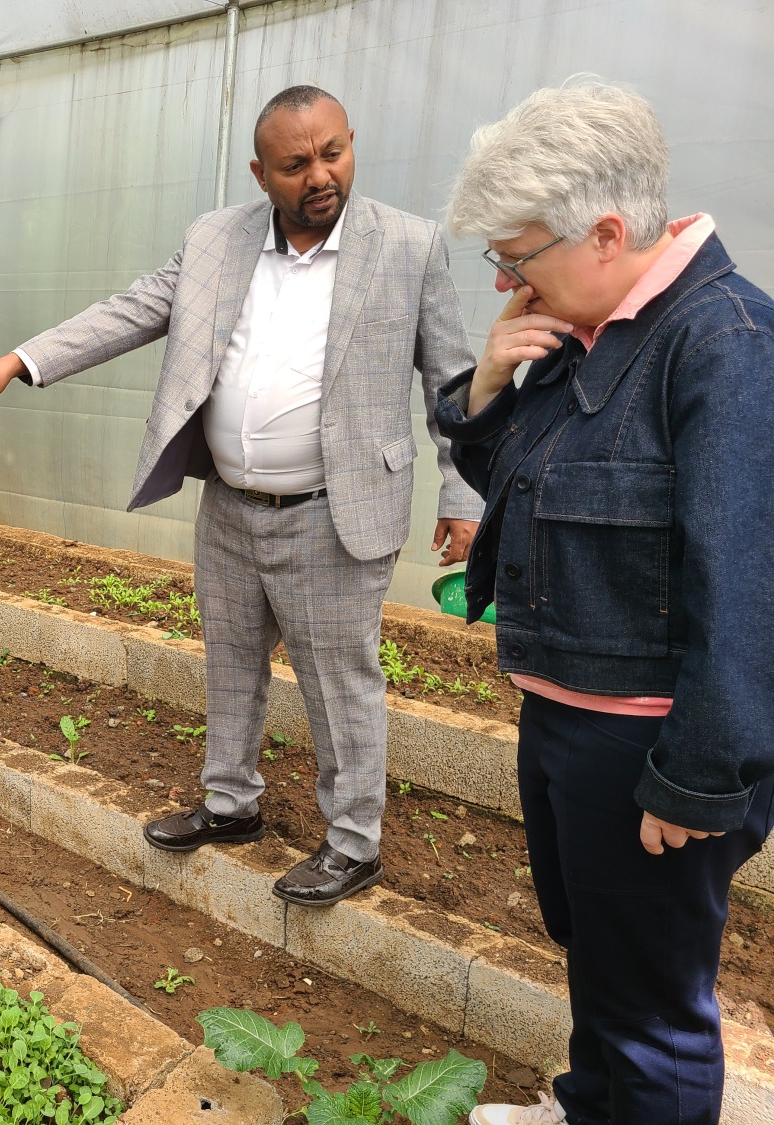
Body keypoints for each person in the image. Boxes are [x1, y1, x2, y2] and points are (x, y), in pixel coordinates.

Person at [0, 86, 481, 906]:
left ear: (352, 142)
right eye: (296, 164)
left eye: (334, 152)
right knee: (229, 661)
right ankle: (231, 804)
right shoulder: (216, 239)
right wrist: (19, 362)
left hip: (335, 510)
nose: (320, 175)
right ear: (261, 173)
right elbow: (131, 310)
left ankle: (354, 842)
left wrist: (464, 495)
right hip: (230, 506)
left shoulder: (407, 245)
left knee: (340, 682)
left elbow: (455, 381)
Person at [438, 81, 774, 1125]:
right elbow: (525, 490)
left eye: (518, 256)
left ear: (607, 232)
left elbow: (750, 582)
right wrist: (487, 384)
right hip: (570, 715)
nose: (506, 280)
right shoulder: (594, 328)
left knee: (654, 1004)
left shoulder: (723, 346)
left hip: (647, 748)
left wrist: (699, 779)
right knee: (600, 949)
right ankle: (591, 1106)